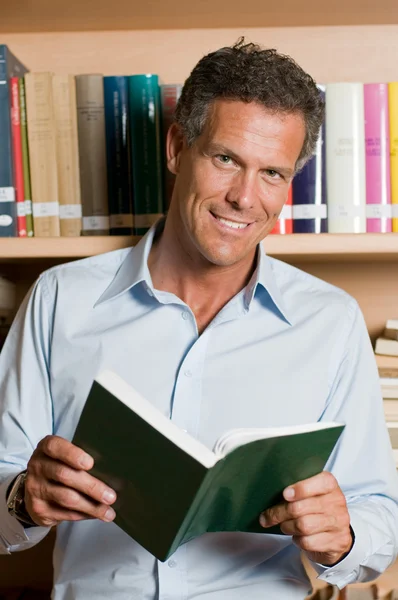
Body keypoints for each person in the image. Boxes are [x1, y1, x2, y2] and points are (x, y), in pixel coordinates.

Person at [0, 38, 397, 600]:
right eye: (226, 159)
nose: (244, 198)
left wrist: (344, 536)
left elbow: (379, 511)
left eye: (273, 174)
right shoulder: (59, 299)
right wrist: (22, 496)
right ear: (177, 146)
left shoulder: (330, 321)